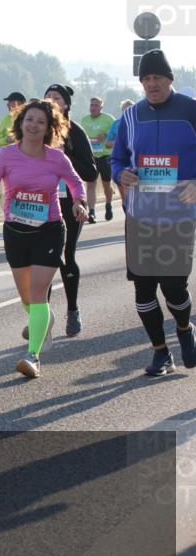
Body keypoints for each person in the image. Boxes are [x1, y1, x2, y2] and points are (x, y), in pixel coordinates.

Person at [0, 99, 88, 378]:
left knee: (39, 293)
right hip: (15, 232)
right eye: (29, 119)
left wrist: (80, 203)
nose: (34, 125)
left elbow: (76, 183)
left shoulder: (56, 158)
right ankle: (45, 318)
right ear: (20, 123)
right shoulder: (6, 154)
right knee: (28, 298)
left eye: (41, 121)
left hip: (49, 230)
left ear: (49, 128)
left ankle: (33, 356)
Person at [111, 49, 196, 377]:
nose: (151, 84)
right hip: (140, 215)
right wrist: (122, 175)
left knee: (174, 287)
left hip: (178, 215)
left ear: (169, 79)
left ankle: (185, 328)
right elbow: (117, 159)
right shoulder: (131, 117)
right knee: (143, 288)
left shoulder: (190, 111)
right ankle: (160, 353)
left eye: (157, 77)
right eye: (145, 79)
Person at [42, 84, 99, 337]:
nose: (52, 101)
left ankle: (73, 310)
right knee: (41, 261)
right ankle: (41, 315)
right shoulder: (38, 129)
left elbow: (90, 172)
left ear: (66, 104)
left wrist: (67, 156)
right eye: (49, 97)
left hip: (71, 202)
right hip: (41, 202)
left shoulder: (75, 132)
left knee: (66, 256)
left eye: (57, 98)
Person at [80, 96, 117, 222]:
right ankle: (92, 212)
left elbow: (117, 133)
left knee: (107, 184)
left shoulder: (109, 119)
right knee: (91, 184)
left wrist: (106, 135)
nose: (93, 108)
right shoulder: (84, 120)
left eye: (96, 105)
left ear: (101, 107)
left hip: (105, 155)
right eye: (91, 105)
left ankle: (108, 205)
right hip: (91, 156)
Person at [104, 98, 134, 203]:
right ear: (122, 111)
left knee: (133, 193)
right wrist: (120, 143)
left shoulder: (138, 123)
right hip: (120, 161)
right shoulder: (116, 124)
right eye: (125, 110)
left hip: (134, 163)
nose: (127, 112)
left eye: (130, 109)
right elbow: (107, 143)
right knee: (124, 196)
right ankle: (126, 212)